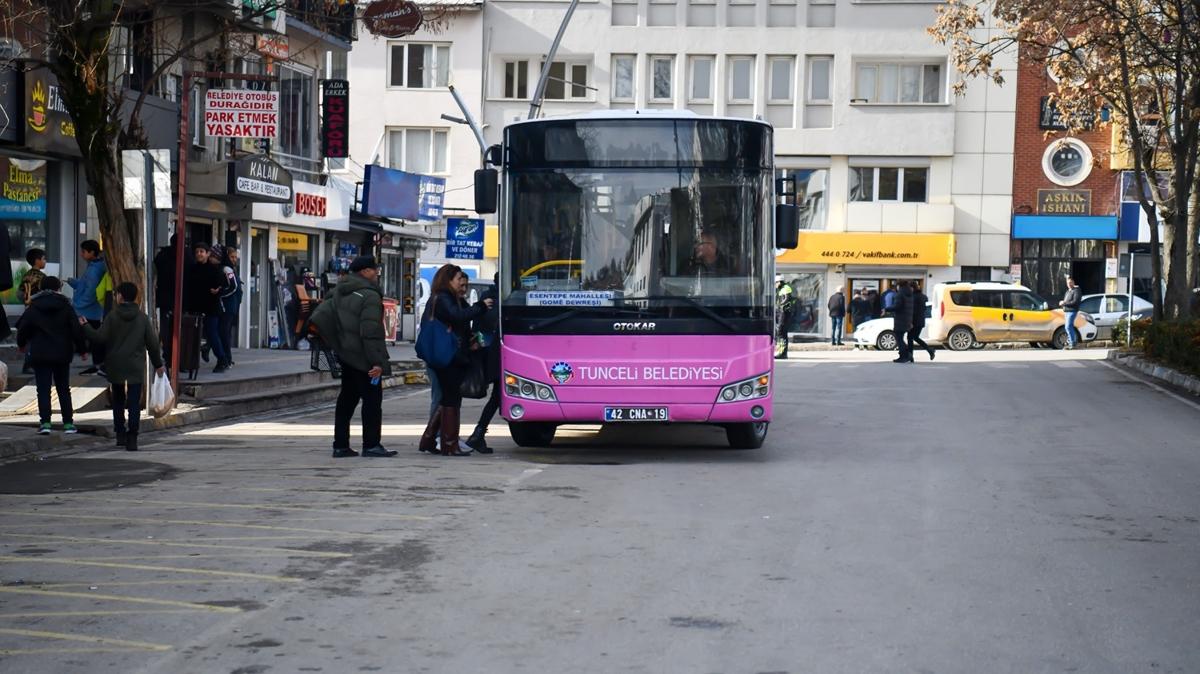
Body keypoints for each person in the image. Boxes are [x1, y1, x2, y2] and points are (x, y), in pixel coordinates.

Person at [80, 282, 165, 451]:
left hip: (115, 364)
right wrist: (158, 364)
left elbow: (100, 338)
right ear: (135, 297)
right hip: (135, 365)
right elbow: (153, 344)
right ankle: (132, 436)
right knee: (134, 402)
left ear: (119, 296)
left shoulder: (112, 316)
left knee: (118, 400)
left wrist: (85, 326)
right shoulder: (142, 318)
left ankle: (120, 433)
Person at [418, 264, 492, 457]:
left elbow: (462, 322)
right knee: (450, 399)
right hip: (447, 356)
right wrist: (481, 306)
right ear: (448, 280)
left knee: (447, 398)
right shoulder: (443, 298)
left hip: (452, 355)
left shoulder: (454, 299)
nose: (463, 286)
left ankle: (429, 439)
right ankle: (449, 444)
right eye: (460, 280)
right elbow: (458, 316)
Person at [327, 256, 396, 458]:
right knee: (372, 400)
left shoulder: (338, 292)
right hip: (364, 357)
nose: (376, 274)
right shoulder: (369, 296)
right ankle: (371, 444)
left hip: (344, 354)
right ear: (365, 271)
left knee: (346, 400)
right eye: (375, 270)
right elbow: (371, 330)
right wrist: (377, 361)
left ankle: (340, 445)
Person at [16, 276, 86, 435]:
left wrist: (21, 344)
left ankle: (45, 423)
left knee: (43, 389)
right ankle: (68, 423)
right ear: (58, 289)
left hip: (40, 353)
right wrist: (82, 350)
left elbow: (23, 328)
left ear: (41, 288)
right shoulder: (66, 307)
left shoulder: (33, 307)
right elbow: (76, 329)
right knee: (63, 389)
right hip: (62, 354)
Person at [466, 273, 501, 454]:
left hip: (492, 352)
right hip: (495, 353)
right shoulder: (495, 299)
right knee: (497, 395)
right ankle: (478, 434)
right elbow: (483, 324)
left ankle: (478, 434)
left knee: (497, 396)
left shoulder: (491, 296)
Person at [183, 242, 230, 372]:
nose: (199, 254)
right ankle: (190, 363)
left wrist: (218, 290)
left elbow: (225, 285)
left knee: (212, 334)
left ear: (207, 254)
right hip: (195, 307)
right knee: (192, 335)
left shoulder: (215, 269)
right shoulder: (192, 269)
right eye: (197, 252)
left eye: (202, 252)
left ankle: (222, 359)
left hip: (211, 307)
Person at [67, 239, 107, 375]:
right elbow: (85, 285)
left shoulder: (94, 269)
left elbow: (91, 291)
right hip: (91, 310)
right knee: (94, 338)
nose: (82, 254)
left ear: (92, 252)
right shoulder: (94, 266)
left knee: (92, 338)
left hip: (88, 310)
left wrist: (78, 304)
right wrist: (74, 283)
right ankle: (97, 364)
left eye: (84, 252)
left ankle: (97, 364)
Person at [19, 248, 48, 374]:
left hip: (28, 310)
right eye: (44, 259)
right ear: (37, 261)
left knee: (30, 337)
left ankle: (29, 364)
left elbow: (20, 293)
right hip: (39, 311)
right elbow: (46, 293)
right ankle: (30, 364)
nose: (45, 261)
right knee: (36, 338)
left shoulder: (26, 275)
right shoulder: (42, 277)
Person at [154, 234, 178, 364]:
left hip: (164, 298)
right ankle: (176, 356)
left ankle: (167, 354)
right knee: (178, 327)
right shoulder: (185, 255)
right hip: (180, 299)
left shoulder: (162, 255)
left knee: (166, 327)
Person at [218, 244, 244, 367]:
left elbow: (234, 287)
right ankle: (227, 357)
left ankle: (226, 358)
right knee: (224, 332)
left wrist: (221, 294)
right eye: (232, 257)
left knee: (224, 332)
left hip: (229, 306)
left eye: (235, 257)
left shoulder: (228, 270)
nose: (234, 259)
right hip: (230, 306)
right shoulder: (229, 269)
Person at [907, 284, 935, 361]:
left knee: (910, 338)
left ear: (912, 288)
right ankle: (929, 350)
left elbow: (913, 311)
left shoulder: (913, 297)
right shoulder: (923, 296)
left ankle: (910, 356)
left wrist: (910, 321)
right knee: (915, 337)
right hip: (921, 320)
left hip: (914, 320)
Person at [892, 280, 914, 363]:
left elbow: (897, 307)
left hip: (900, 320)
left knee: (899, 338)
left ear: (899, 286)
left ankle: (906, 355)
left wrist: (887, 309)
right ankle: (904, 355)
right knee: (900, 338)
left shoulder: (900, 294)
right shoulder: (910, 294)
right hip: (907, 319)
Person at [1059, 275, 1083, 349]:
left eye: (1070, 282)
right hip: (1066, 311)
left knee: (1068, 327)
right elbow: (1067, 300)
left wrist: (1064, 303)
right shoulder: (1068, 291)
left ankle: (1072, 343)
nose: (1069, 284)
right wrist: (1062, 304)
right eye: (1068, 283)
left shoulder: (1076, 290)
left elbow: (1075, 302)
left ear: (1073, 282)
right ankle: (1072, 342)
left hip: (1072, 311)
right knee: (1068, 327)